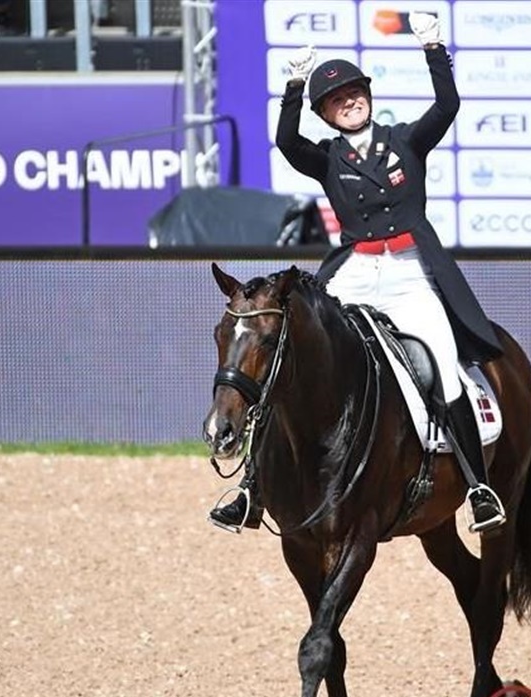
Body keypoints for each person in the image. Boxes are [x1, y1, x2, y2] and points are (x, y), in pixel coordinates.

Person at [210, 12, 508, 535]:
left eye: (353, 92)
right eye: (336, 100)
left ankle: (479, 488)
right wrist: (295, 86)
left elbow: (447, 106)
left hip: (409, 274)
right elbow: (286, 141)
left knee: (442, 364)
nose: (348, 101)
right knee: (289, 357)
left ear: (368, 95)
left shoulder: (405, 141)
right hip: (354, 272)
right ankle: (251, 488)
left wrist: (433, 47)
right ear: (326, 114)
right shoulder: (328, 159)